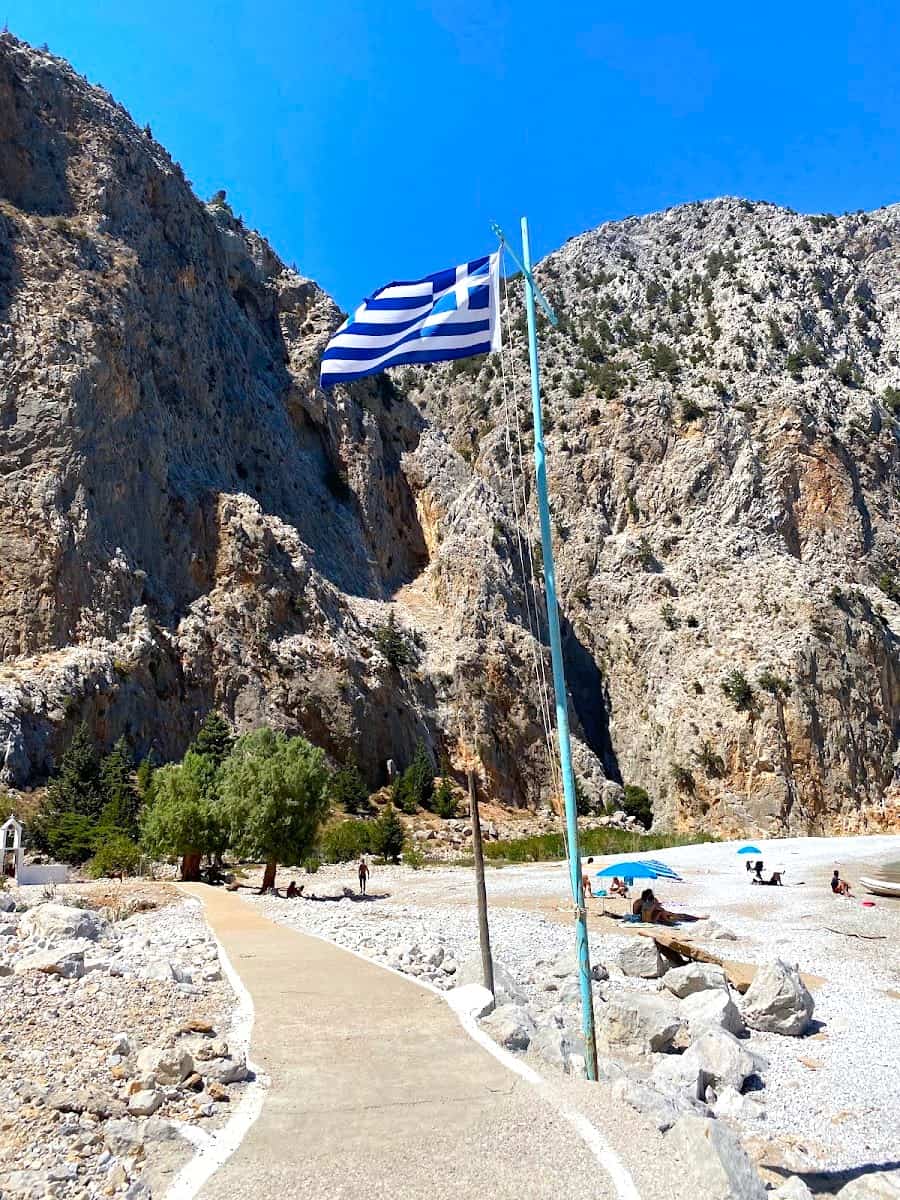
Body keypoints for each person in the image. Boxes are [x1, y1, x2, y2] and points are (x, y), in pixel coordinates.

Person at [632, 888, 702, 925]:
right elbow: (658, 909)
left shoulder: (638, 902)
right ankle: (697, 918)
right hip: (655, 919)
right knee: (676, 916)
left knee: (672, 915)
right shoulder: (650, 902)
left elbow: (635, 913)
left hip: (646, 919)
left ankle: (697, 918)